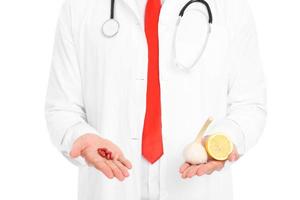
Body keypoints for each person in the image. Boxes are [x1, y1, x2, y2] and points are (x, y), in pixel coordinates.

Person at [45, 0, 267, 199]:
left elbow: (249, 105)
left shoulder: (231, 7)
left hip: (198, 190)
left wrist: (224, 139)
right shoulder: (79, 7)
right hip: (109, 189)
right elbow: (61, 108)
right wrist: (80, 137)